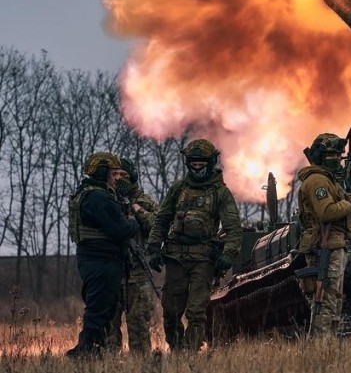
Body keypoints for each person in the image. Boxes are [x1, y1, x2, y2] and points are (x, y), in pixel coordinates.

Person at [146, 139, 241, 352]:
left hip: (204, 259)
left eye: (202, 164)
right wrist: (153, 248)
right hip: (175, 258)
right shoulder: (178, 188)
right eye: (194, 163)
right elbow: (162, 219)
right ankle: (178, 350)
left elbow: (234, 228)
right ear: (188, 163)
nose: (197, 168)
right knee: (170, 311)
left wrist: (228, 255)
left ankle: (190, 354)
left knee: (197, 311)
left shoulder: (220, 192)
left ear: (210, 163)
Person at [66, 152, 139, 358]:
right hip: (101, 260)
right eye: (114, 173)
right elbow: (121, 229)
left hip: (96, 259)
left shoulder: (88, 193)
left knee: (101, 308)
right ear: (102, 173)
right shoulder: (98, 197)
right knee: (99, 310)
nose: (118, 178)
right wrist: (133, 221)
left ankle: (93, 350)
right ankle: (86, 352)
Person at [296, 134, 351, 337]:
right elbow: (326, 212)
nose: (337, 158)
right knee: (325, 300)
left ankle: (327, 344)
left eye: (338, 154)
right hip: (325, 245)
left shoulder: (329, 181)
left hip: (334, 244)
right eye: (331, 154)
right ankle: (321, 345)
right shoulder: (318, 181)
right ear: (320, 156)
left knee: (334, 298)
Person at [107, 158, 158, 354]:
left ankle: (142, 363)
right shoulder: (105, 201)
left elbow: (157, 226)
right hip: (112, 270)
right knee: (109, 324)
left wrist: (136, 208)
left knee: (139, 324)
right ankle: (112, 365)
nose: (119, 178)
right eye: (115, 174)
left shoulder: (145, 201)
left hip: (137, 272)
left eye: (124, 175)